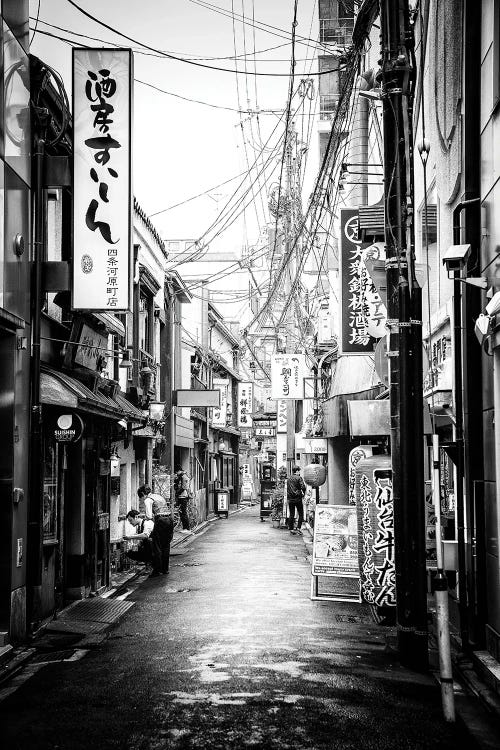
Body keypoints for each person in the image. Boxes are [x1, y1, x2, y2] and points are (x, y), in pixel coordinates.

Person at [287, 466, 306, 535]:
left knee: (291, 514)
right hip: (298, 498)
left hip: (290, 499)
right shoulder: (299, 478)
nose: (299, 472)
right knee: (301, 513)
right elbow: (303, 487)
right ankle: (298, 528)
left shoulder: (289, 478)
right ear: (297, 471)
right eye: (299, 471)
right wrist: (304, 493)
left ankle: (291, 529)